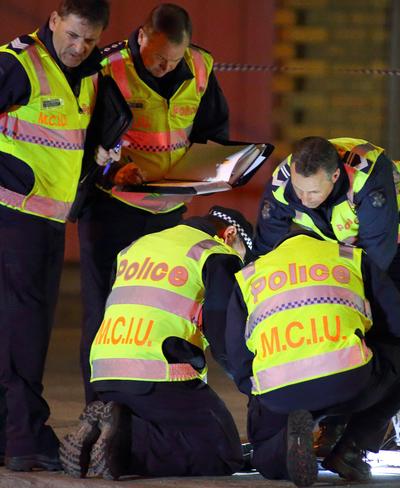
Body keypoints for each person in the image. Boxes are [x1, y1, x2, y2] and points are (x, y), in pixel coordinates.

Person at [77, 2, 231, 404]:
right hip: (112, 208)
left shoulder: (199, 66)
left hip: (167, 211)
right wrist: (113, 171)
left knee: (164, 311)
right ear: (141, 36)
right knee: (105, 312)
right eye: (158, 58)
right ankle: (100, 409)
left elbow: (213, 130)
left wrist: (215, 168)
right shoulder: (107, 66)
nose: (164, 67)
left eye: (173, 60)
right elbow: (84, 138)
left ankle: (157, 404)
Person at [60, 206, 252, 480]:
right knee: (223, 452)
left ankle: (107, 431)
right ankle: (125, 444)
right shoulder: (216, 253)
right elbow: (225, 335)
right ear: (231, 234)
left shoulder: (137, 247)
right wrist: (251, 379)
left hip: (105, 372)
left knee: (173, 429)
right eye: (244, 253)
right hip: (159, 372)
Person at [0, 0, 111, 471]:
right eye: (72, 35)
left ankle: (13, 434)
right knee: (22, 330)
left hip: (44, 219)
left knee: (22, 328)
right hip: (11, 213)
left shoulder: (89, 73)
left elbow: (67, 142)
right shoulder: (18, 62)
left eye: (89, 39)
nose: (78, 47)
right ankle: (23, 438)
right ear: (53, 21)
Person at [226, 230, 400, 486]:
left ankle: (284, 447)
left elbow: (237, 354)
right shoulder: (348, 257)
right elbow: (398, 322)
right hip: (347, 381)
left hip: (279, 391)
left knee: (264, 447)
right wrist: (371, 344)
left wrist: (258, 395)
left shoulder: (250, 275)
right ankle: (351, 450)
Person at [254, 136, 400, 377]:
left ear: (335, 177)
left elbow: (378, 253)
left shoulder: (368, 178)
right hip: (345, 245)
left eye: (313, 192)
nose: (303, 200)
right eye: (299, 189)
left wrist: (351, 295)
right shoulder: (284, 182)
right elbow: (265, 248)